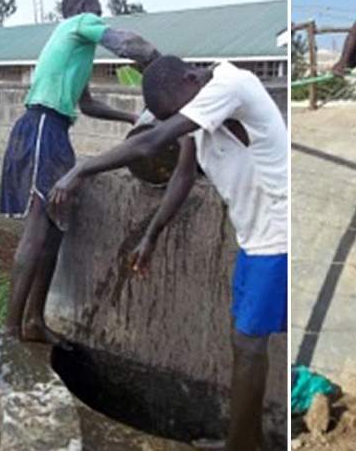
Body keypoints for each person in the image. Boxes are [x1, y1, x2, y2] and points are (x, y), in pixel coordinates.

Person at [48, 56, 287, 451]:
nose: (180, 122)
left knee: (249, 344)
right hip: (253, 237)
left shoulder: (230, 85)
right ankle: (246, 440)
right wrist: (152, 235)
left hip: (277, 237)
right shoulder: (197, 105)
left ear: (191, 78)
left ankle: (240, 447)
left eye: (176, 114)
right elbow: (181, 175)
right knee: (242, 340)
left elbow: (149, 142)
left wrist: (81, 170)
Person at [1, 0, 160, 349]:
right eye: (97, 12)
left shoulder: (75, 52)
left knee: (55, 230)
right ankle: (9, 333)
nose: (99, 20)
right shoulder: (79, 23)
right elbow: (127, 44)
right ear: (83, 7)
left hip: (55, 130)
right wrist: (160, 63)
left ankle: (33, 320)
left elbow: (86, 103)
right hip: (42, 125)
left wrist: (132, 117)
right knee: (38, 228)